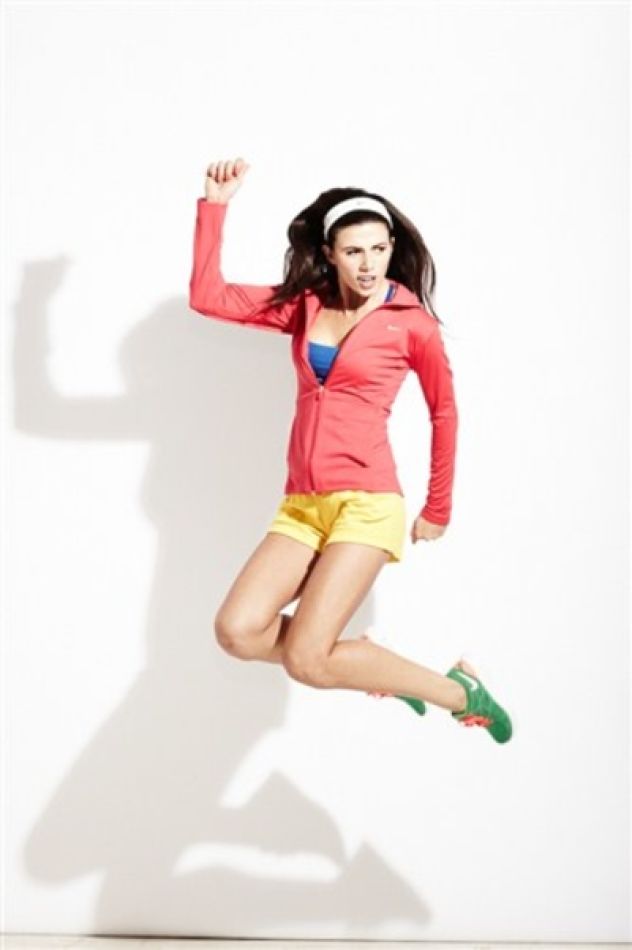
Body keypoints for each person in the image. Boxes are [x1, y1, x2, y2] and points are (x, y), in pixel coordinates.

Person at [189, 157, 512, 743]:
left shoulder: (412, 324)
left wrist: (438, 506)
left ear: (392, 249)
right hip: (302, 505)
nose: (369, 264)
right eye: (354, 251)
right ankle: (363, 662)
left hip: (368, 503)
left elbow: (444, 413)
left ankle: (460, 693)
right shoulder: (307, 306)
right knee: (236, 631)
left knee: (307, 662)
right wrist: (215, 207)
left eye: (379, 249)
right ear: (331, 254)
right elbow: (209, 297)